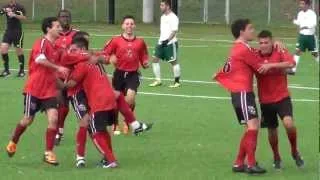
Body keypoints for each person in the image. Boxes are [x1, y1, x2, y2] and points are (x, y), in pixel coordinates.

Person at [60, 36, 153, 168]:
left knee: (96, 129)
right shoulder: (75, 57)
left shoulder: (85, 61)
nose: (71, 51)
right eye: (70, 49)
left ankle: (108, 158)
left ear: (82, 49)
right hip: (79, 94)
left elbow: (104, 59)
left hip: (96, 98)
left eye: (73, 49)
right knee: (87, 122)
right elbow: (65, 65)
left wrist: (58, 83)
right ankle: (82, 157)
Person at [5, 17, 69, 166]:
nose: (61, 28)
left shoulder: (57, 48)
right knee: (28, 119)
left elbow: (59, 67)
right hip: (34, 89)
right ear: (48, 29)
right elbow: (40, 59)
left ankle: (48, 152)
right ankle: (13, 141)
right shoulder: (41, 42)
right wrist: (58, 68)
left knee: (53, 118)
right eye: (57, 26)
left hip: (49, 90)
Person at [256, 30, 304, 169]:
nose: (263, 45)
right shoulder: (255, 55)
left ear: (272, 42)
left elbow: (292, 64)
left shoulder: (279, 50)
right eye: (261, 43)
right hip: (265, 100)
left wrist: (271, 65)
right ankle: (276, 156)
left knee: (289, 124)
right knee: (272, 130)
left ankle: (294, 151)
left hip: (282, 97)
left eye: (266, 42)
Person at [102, 15, 149, 135]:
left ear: (135, 26)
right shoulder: (115, 40)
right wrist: (110, 58)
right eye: (127, 23)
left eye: (131, 23)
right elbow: (104, 53)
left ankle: (127, 121)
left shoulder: (140, 42)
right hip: (119, 74)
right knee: (117, 100)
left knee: (130, 99)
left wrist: (144, 62)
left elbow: (144, 54)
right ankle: (115, 123)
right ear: (123, 26)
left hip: (133, 74)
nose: (129, 26)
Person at [54, 9, 79, 145]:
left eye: (67, 16)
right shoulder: (54, 34)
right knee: (62, 105)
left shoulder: (76, 34)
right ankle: (59, 131)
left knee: (79, 106)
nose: (65, 18)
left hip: (74, 75)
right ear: (58, 19)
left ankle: (91, 129)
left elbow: (82, 52)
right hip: (58, 75)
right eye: (62, 16)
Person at [149, 0, 181, 88]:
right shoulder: (162, 17)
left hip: (170, 43)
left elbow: (174, 31)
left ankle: (177, 81)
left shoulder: (173, 17)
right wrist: (162, 40)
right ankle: (158, 80)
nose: (160, 7)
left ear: (168, 6)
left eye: (162, 5)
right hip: (160, 42)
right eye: (160, 5)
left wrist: (167, 41)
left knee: (173, 62)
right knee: (154, 60)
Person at [290, 0, 318, 74]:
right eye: (300, 4)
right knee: (297, 52)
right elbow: (299, 22)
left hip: (310, 37)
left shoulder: (312, 14)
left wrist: (305, 27)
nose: (300, 5)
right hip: (302, 36)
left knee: (315, 54)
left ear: (307, 5)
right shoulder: (300, 13)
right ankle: (293, 70)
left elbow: (314, 24)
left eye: (302, 4)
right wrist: (292, 20)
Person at [0, 0, 27, 77]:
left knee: (18, 50)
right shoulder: (5, 6)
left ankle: (21, 71)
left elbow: (24, 17)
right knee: (3, 49)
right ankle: (6, 70)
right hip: (8, 31)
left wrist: (14, 15)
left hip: (17, 32)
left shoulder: (20, 7)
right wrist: (5, 10)